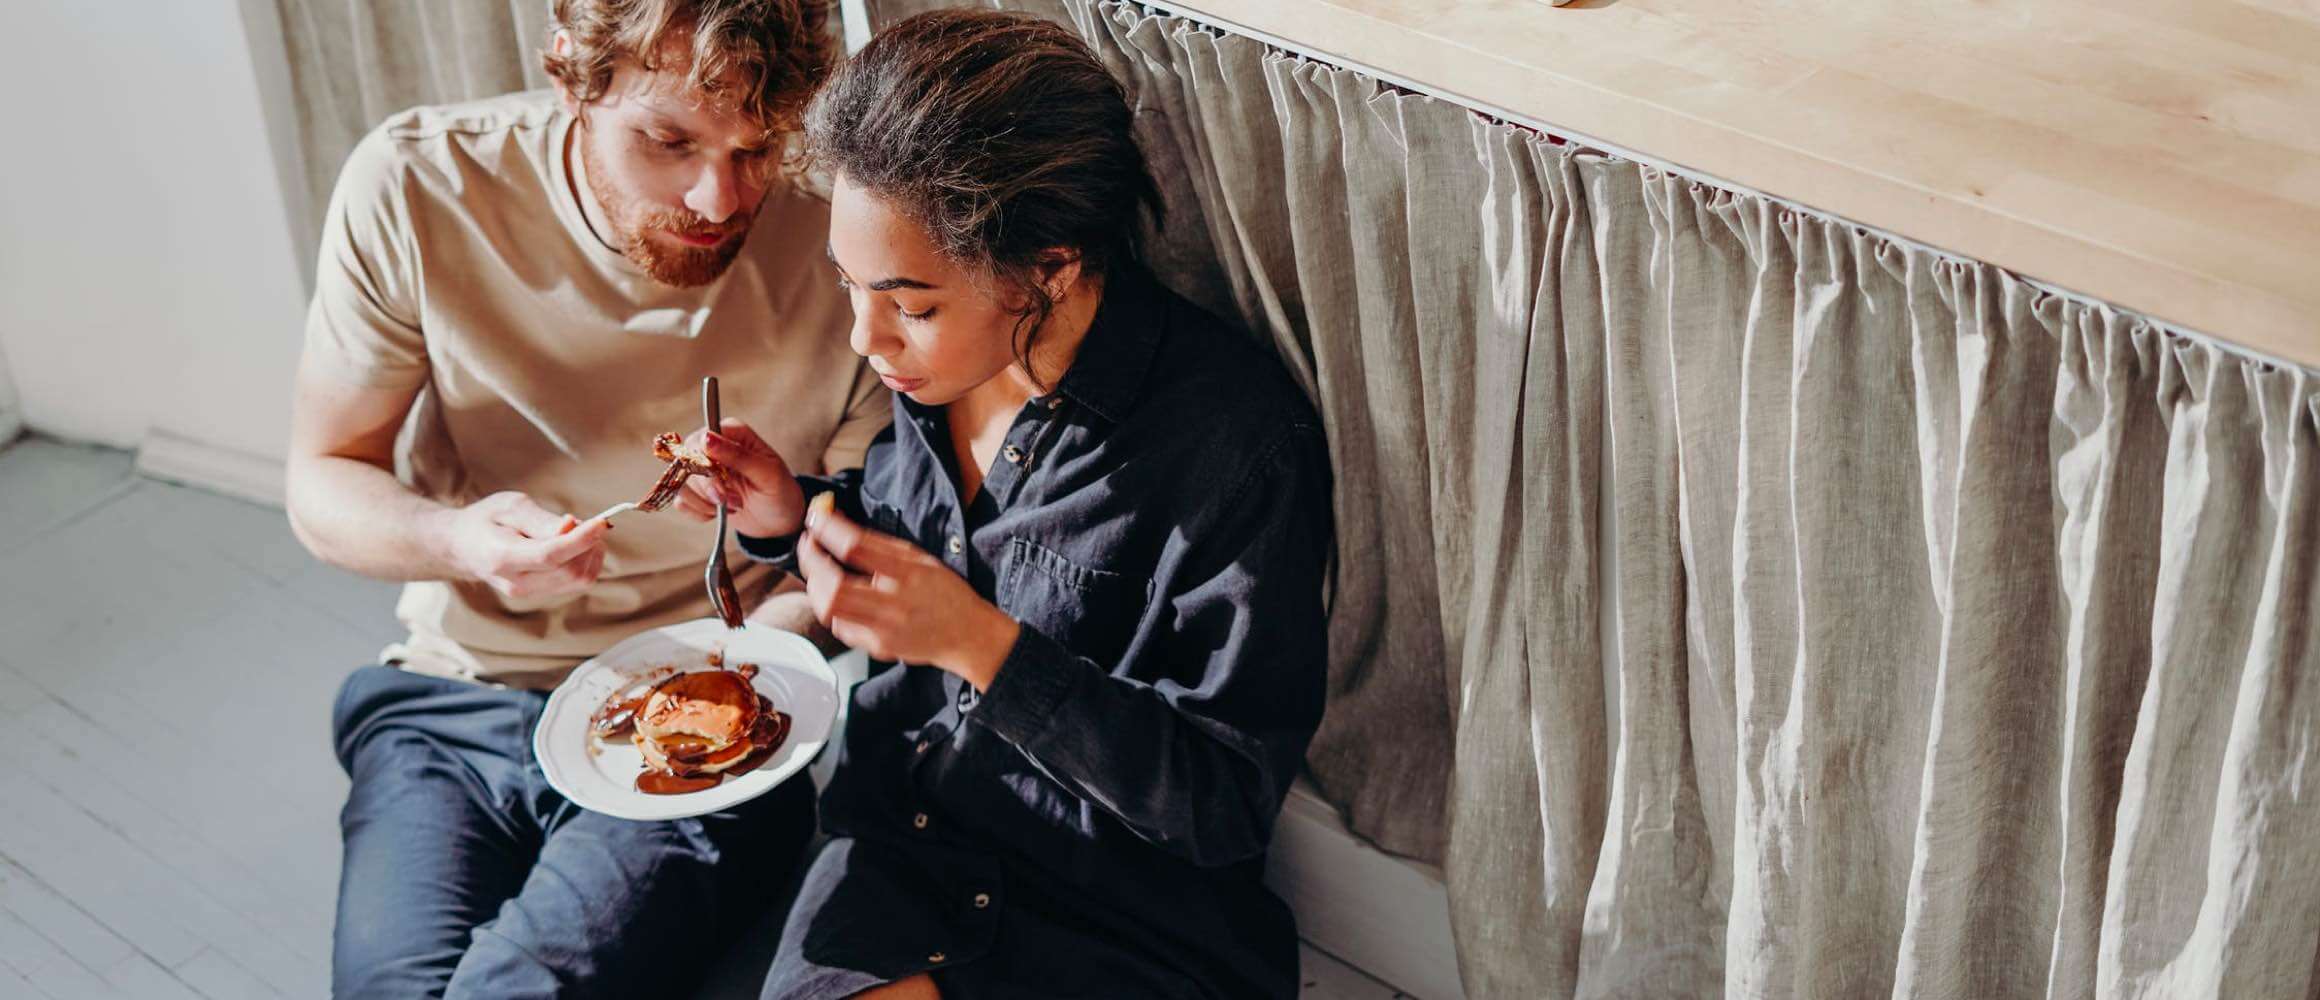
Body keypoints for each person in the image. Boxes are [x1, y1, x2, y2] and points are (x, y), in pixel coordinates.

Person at [674, 11, 1335, 998]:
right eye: (849, 287)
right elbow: (907, 539)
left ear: (1050, 271)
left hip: (1118, 914)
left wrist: (984, 648)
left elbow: (1220, 805)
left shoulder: (1233, 446)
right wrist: (786, 512)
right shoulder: (932, 386)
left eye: (911, 304)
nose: (867, 339)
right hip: (903, 856)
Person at [282, 1, 884, 995]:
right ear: (570, 75)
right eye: (668, 139)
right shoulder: (418, 184)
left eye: (756, 148)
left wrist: (742, 670)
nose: (720, 197)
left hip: (721, 708)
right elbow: (320, 482)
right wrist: (458, 542)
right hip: (457, 695)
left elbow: (862, 534)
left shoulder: (842, 232)